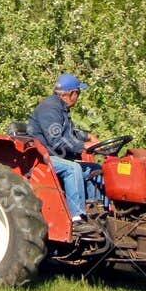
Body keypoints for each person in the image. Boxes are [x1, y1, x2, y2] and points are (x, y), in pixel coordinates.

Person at [25, 74, 102, 224]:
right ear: (72, 94)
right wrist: (83, 146)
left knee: (95, 169)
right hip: (43, 158)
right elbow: (57, 142)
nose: (78, 97)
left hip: (56, 155)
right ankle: (78, 218)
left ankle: (96, 210)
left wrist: (88, 137)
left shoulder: (61, 108)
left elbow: (71, 132)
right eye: (78, 93)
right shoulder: (50, 108)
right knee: (73, 169)